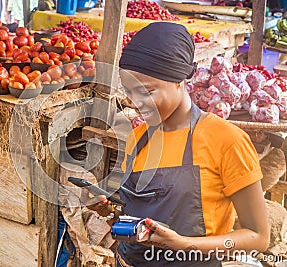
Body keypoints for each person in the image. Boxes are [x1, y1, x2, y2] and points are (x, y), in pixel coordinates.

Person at [81, 22, 269, 266]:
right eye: (129, 91)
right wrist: (105, 210)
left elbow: (258, 237)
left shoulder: (227, 141)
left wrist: (185, 244)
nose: (136, 102)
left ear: (179, 81)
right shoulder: (137, 139)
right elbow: (137, 215)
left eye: (147, 92)